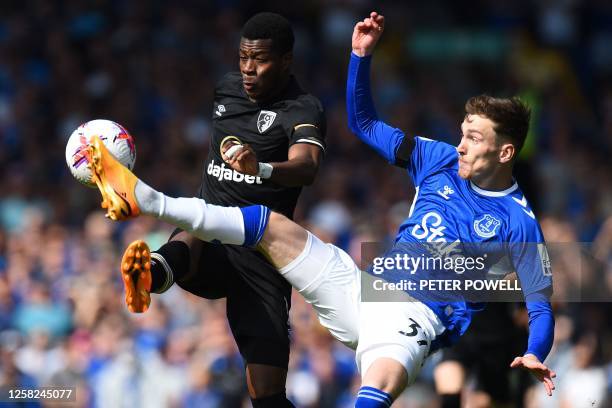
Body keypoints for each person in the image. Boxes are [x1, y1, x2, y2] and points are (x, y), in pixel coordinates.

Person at [86, 11, 556, 406]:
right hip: (362, 289)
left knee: (379, 386)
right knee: (269, 224)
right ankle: (147, 199)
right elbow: (364, 121)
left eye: (473, 138)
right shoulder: (436, 158)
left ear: (505, 153)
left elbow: (540, 308)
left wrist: (536, 352)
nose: (461, 145)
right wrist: (360, 57)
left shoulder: (520, 222)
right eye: (462, 132)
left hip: (414, 321)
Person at [119, 12, 326, 407]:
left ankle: (160, 272)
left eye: (260, 59)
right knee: (202, 217)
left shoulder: (303, 109)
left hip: (262, 258)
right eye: (243, 57)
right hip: (209, 242)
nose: (248, 69)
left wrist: (261, 167)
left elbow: (308, 166)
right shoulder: (227, 90)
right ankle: (153, 274)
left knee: (265, 394)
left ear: (286, 61)